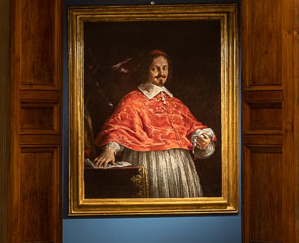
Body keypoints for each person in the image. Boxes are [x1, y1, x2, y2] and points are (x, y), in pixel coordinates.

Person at [90, 50, 216, 199]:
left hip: (179, 166)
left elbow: (193, 127)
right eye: (155, 68)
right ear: (146, 71)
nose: (161, 73)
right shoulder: (133, 99)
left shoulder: (176, 103)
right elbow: (119, 127)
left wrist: (202, 139)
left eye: (165, 68)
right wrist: (110, 148)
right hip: (147, 163)